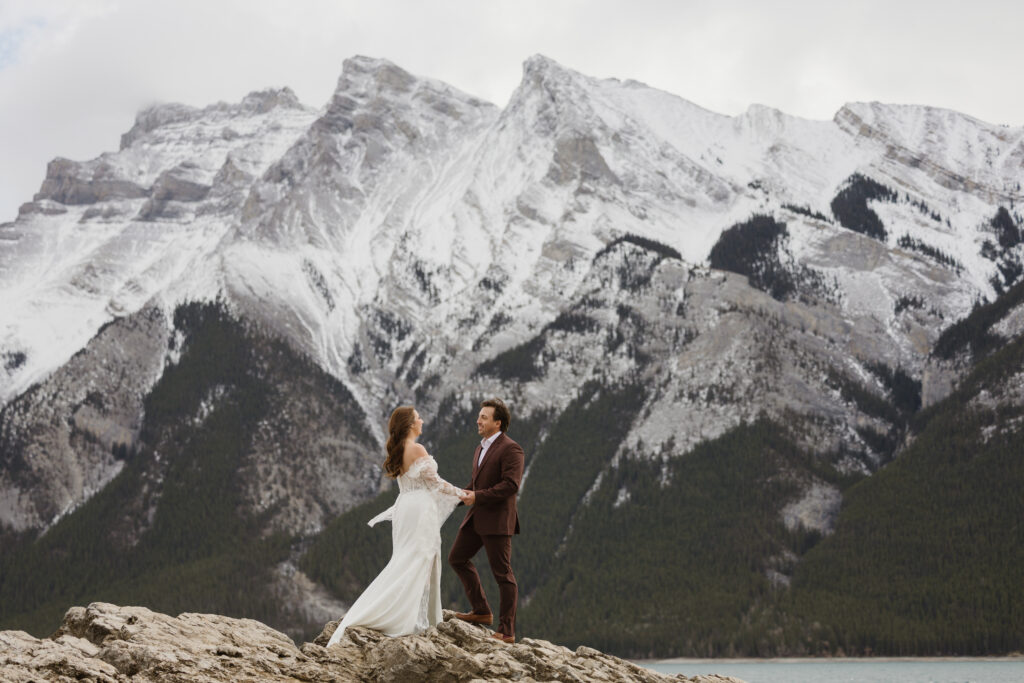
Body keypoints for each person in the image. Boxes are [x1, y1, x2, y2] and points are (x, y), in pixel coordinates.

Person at [326, 406, 467, 646]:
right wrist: (464, 494)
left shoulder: (398, 449)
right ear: (411, 424)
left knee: (405, 559)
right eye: (418, 417)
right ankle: (410, 617)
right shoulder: (417, 448)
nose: (422, 420)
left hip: (405, 507)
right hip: (420, 509)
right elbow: (435, 483)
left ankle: (410, 612)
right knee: (420, 559)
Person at [448, 398, 525, 644]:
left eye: (483, 417)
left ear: (497, 422)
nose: (478, 420)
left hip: (498, 521)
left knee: (503, 574)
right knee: (457, 558)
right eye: (479, 416)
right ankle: (481, 611)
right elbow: (475, 485)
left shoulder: (512, 449)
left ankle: (507, 631)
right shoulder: (480, 448)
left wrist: (477, 496)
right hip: (476, 518)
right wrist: (452, 497)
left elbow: (511, 485)